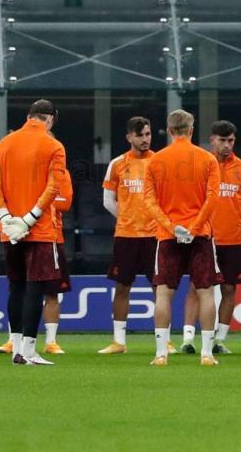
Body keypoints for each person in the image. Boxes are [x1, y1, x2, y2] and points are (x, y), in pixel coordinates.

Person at [0, 99, 67, 365]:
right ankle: (29, 351)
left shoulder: (3, 145)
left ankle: (16, 347)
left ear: (29, 116)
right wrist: (30, 218)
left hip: (9, 229)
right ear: (51, 119)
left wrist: (7, 218)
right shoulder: (54, 146)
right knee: (35, 288)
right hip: (39, 229)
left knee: (16, 287)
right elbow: (54, 187)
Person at [144, 109, 221, 366]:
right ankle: (207, 354)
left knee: (164, 294)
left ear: (169, 130)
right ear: (191, 130)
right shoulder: (207, 159)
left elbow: (150, 201)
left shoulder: (156, 161)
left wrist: (171, 226)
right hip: (200, 236)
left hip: (168, 236)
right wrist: (195, 226)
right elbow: (213, 198)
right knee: (206, 292)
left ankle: (160, 354)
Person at [179, 120, 241, 355]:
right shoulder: (200, 164)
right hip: (204, 238)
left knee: (230, 289)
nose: (226, 145)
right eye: (222, 140)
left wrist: (236, 220)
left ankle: (219, 340)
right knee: (195, 287)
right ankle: (188, 339)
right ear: (212, 140)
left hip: (232, 239)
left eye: (230, 141)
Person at [97, 117, 169, 355]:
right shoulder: (117, 164)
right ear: (129, 137)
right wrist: (126, 217)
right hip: (126, 235)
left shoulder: (160, 162)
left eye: (148, 134)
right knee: (122, 287)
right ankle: (119, 342)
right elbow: (108, 200)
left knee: (159, 288)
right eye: (140, 135)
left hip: (154, 236)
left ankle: (165, 340)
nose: (145, 139)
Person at [42, 167, 73, 355]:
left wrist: (38, 200)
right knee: (20, 290)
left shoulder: (62, 173)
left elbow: (65, 202)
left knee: (52, 292)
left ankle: (51, 341)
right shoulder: (23, 171)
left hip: (53, 237)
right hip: (24, 237)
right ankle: (14, 339)